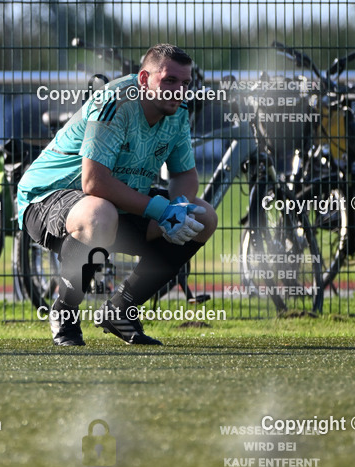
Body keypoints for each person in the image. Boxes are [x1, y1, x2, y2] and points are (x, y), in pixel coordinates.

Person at [17, 44, 218, 346]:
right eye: (169, 80)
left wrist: (178, 206)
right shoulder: (115, 101)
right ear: (144, 79)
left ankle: (121, 309)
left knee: (203, 218)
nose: (179, 90)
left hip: (111, 205)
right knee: (99, 214)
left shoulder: (178, 110)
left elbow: (184, 175)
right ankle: (65, 313)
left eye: (185, 83)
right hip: (46, 198)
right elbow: (94, 182)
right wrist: (161, 211)